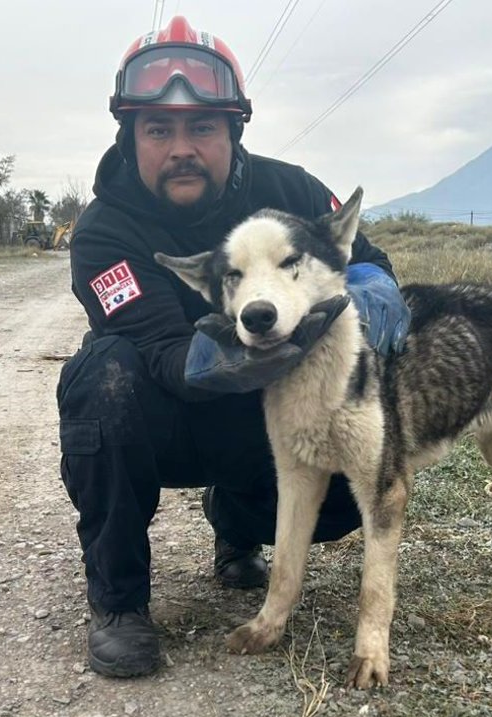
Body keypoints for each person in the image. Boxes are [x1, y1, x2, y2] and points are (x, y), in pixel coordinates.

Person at [58, 16, 410, 679]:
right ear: (131, 136)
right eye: (158, 130)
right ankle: (119, 601)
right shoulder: (104, 230)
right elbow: (163, 351)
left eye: (203, 129)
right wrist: (251, 349)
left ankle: (238, 524)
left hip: (268, 422)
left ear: (233, 131)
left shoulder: (293, 192)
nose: (181, 147)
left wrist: (373, 295)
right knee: (102, 378)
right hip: (162, 418)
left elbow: (365, 257)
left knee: (339, 496)